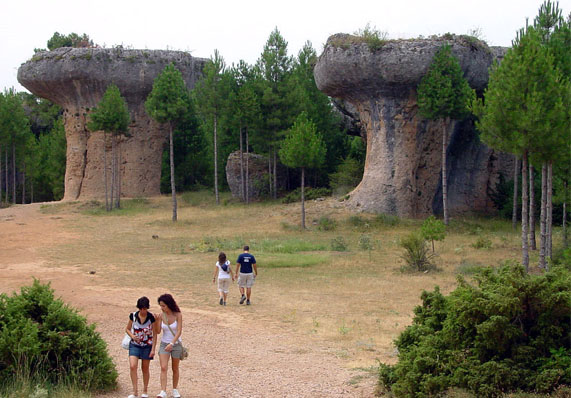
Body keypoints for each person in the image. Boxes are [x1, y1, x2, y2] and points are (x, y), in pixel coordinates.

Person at [125, 296, 157, 398]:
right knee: (132, 366)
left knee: (145, 368)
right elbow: (127, 329)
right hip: (135, 345)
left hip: (147, 345)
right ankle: (135, 391)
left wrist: (153, 349)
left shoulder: (151, 317)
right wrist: (132, 336)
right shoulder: (133, 316)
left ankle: (145, 390)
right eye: (141, 308)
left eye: (145, 309)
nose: (143, 311)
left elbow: (155, 333)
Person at [156, 294, 183, 398]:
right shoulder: (162, 315)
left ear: (169, 304)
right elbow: (158, 331)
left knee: (175, 368)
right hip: (164, 344)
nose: (162, 308)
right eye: (161, 306)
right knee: (163, 367)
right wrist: (158, 321)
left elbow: (179, 331)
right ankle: (163, 391)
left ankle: (175, 389)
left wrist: (172, 343)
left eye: (163, 306)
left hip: (175, 344)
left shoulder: (178, 315)